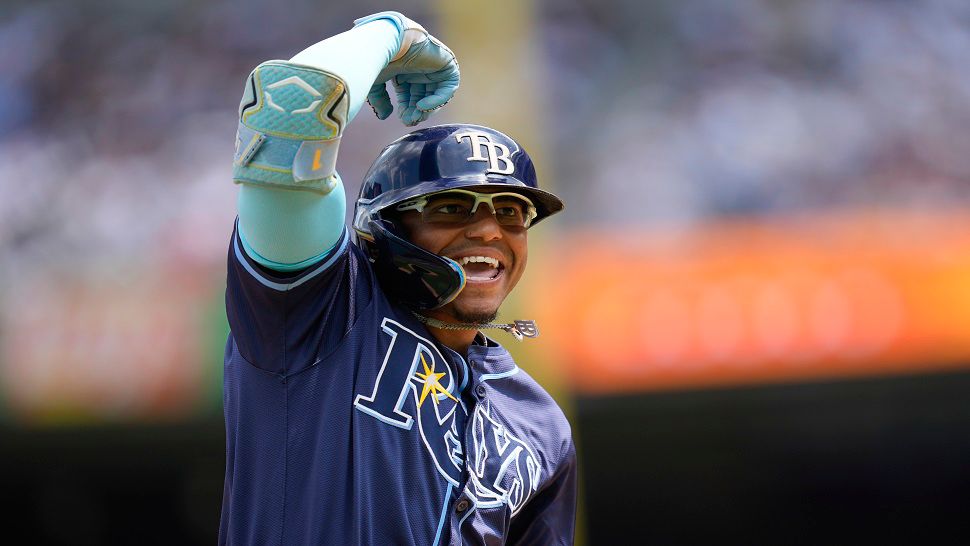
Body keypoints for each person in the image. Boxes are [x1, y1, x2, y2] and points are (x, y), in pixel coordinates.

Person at [221, 11, 576, 545]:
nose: (489, 231)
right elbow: (287, 113)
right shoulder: (317, 313)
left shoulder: (541, 422)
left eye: (511, 213)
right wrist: (389, 34)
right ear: (386, 229)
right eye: (452, 208)